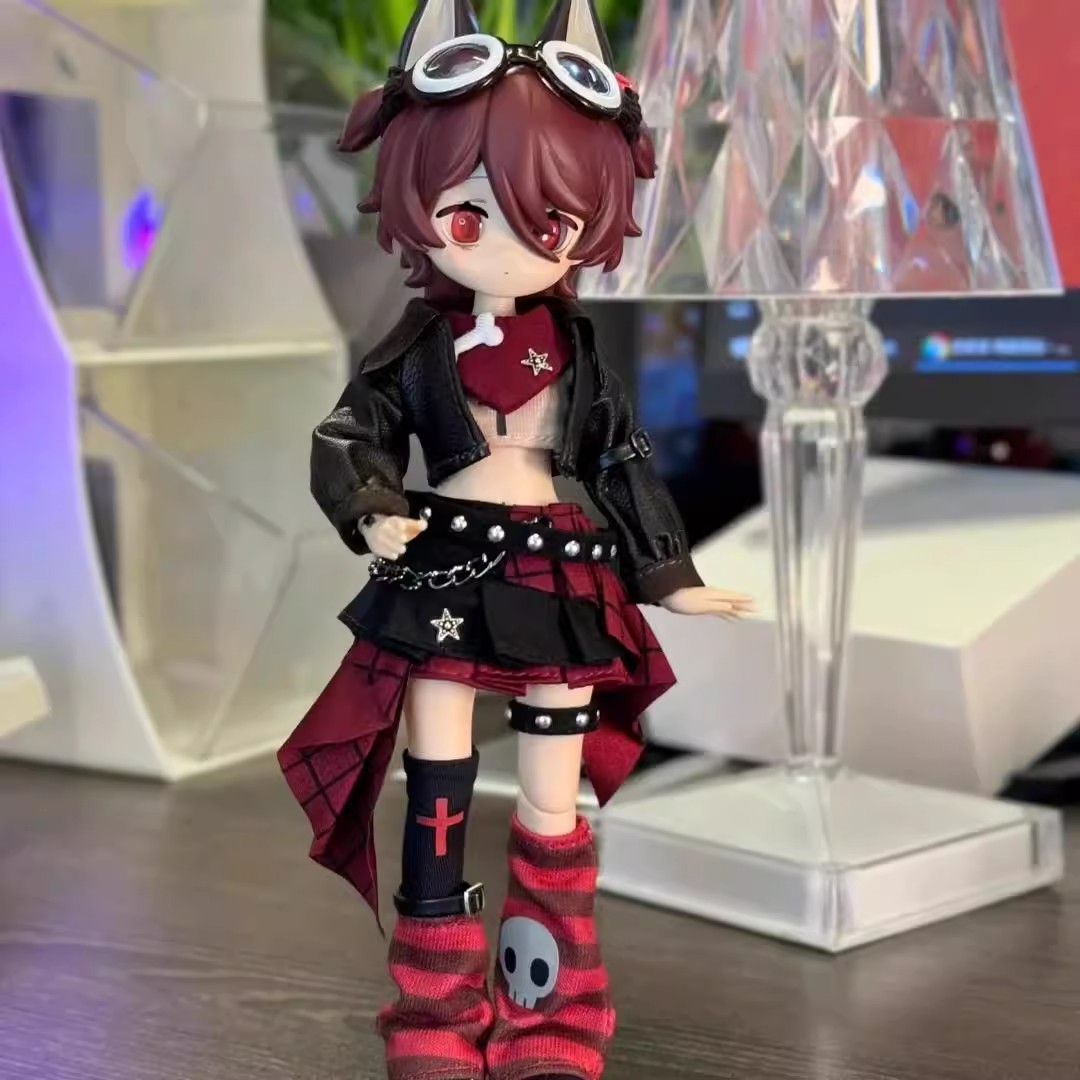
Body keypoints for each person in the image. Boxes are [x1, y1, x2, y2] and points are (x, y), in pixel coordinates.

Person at [278, 2, 753, 1078]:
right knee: (435, 779)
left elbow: (622, 459)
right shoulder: (416, 347)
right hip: (442, 562)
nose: (516, 239)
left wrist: (668, 572)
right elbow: (350, 433)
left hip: (560, 567)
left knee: (552, 784)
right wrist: (373, 506)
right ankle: (434, 1008)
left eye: (556, 217)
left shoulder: (579, 355)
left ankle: (552, 1011)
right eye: (469, 213)